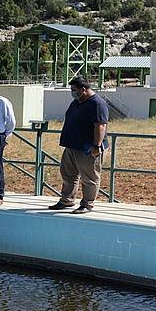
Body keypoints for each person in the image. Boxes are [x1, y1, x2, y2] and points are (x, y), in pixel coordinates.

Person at [48, 76, 109, 214]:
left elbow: (100, 125)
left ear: (83, 89)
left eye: (74, 90)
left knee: (89, 177)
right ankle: (67, 200)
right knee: (68, 174)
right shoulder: (77, 101)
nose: (72, 92)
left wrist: (96, 146)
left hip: (88, 148)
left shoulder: (97, 103)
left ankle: (87, 204)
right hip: (72, 146)